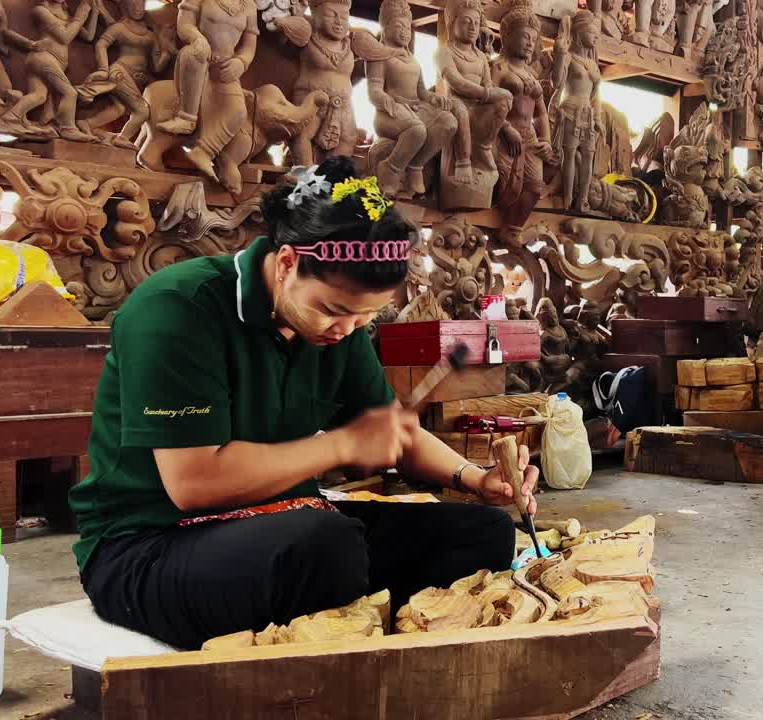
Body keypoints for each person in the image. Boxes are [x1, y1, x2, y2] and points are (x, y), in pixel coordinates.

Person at [69, 156, 537, 650]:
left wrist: (475, 478)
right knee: (324, 548)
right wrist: (340, 446)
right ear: (289, 262)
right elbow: (195, 483)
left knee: (480, 533)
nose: (348, 328)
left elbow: (391, 431)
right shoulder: (177, 308)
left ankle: (361, 625)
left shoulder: (342, 326)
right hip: (151, 541)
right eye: (335, 310)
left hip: (287, 520)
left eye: (366, 317)